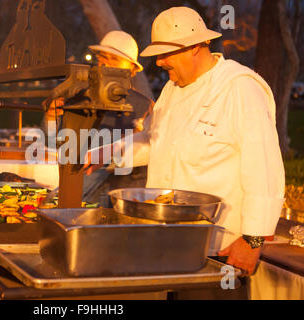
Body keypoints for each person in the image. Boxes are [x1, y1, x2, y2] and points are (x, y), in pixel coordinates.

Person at [85, 7, 285, 279]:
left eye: (166, 54)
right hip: (168, 241)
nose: (159, 63)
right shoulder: (171, 90)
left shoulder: (239, 88)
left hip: (219, 247)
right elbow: (152, 140)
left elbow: (264, 169)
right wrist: (106, 154)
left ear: (195, 48)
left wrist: (252, 241)